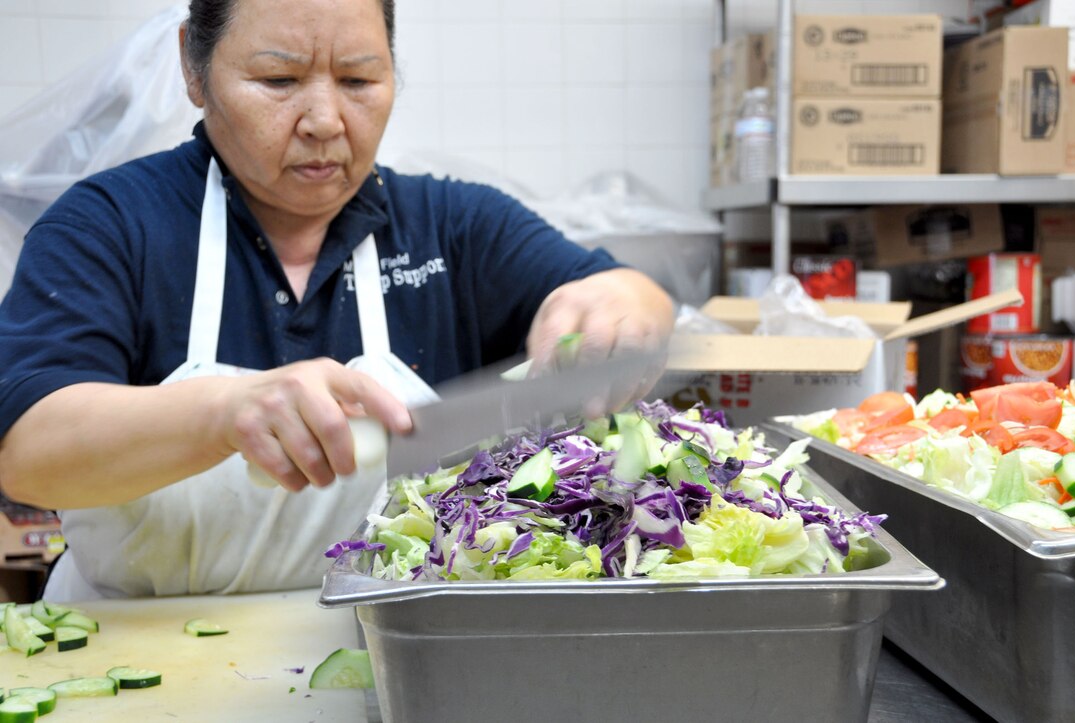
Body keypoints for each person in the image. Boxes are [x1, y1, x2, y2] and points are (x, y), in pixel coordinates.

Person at [0, 0, 674, 601]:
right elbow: (27, 452)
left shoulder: (456, 228)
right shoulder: (110, 224)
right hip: (131, 656)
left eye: (358, 80)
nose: (324, 120)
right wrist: (226, 413)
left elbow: (622, 289)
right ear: (194, 68)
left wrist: (618, 304)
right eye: (279, 80)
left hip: (386, 648)